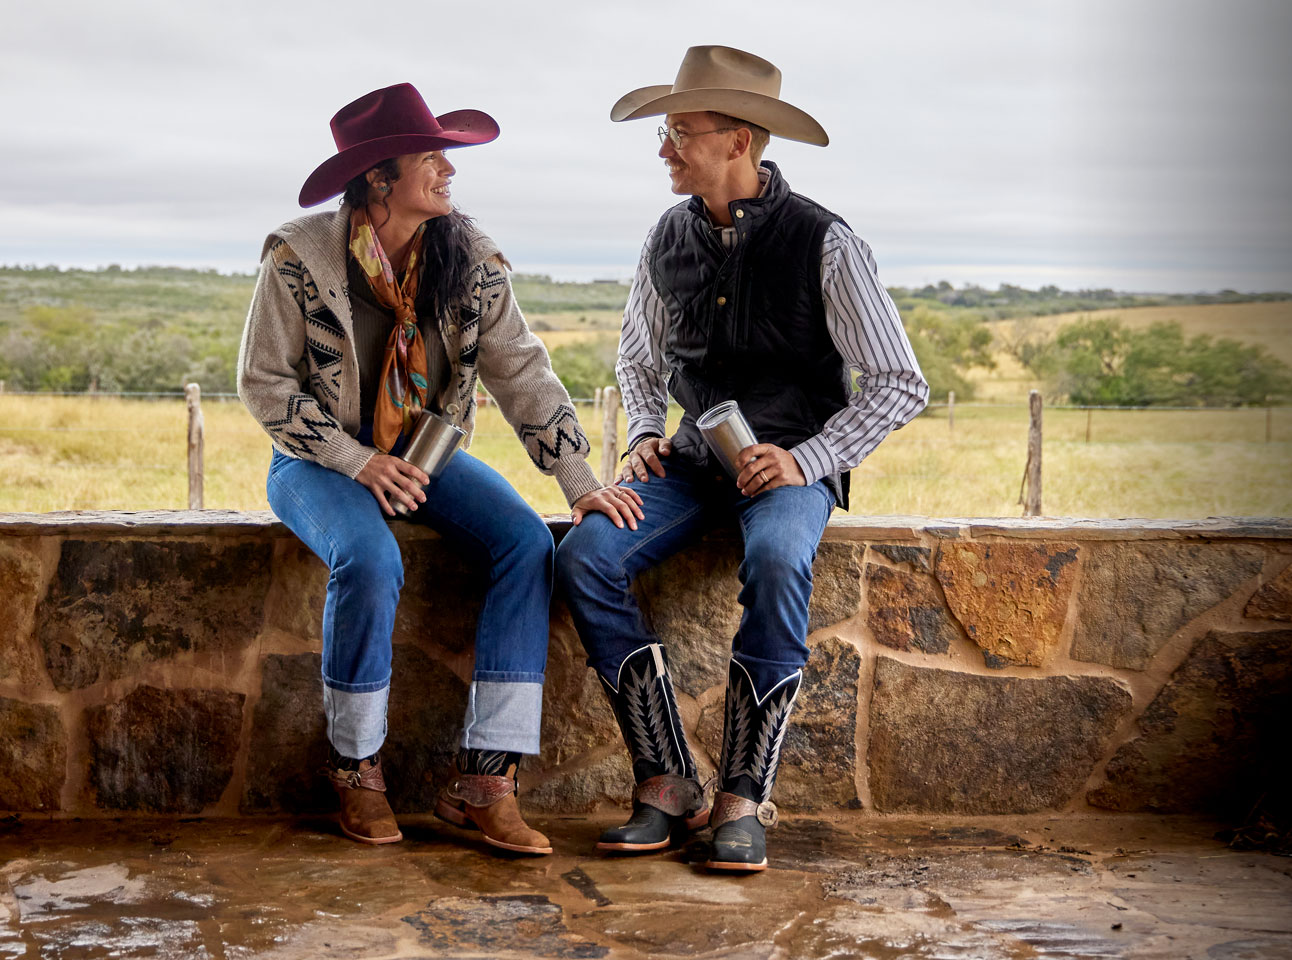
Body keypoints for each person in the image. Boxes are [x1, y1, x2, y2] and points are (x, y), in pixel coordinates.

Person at [238, 83, 644, 854]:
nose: (448, 170)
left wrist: (581, 482)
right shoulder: (298, 258)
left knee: (526, 541)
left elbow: (521, 370)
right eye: (431, 157)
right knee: (368, 556)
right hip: (314, 461)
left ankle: (485, 782)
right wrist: (357, 462)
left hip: (425, 457)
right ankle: (356, 773)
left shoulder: (472, 262)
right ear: (379, 178)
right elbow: (265, 385)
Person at [555, 46, 927, 872]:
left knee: (777, 554)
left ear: (741, 141)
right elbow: (639, 362)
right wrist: (647, 432)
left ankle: (741, 797)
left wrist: (810, 459)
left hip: (793, 464)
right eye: (666, 132)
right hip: (689, 465)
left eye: (680, 132)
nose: (665, 148)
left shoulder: (827, 243)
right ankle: (666, 782)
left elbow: (902, 381)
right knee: (584, 552)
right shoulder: (667, 236)